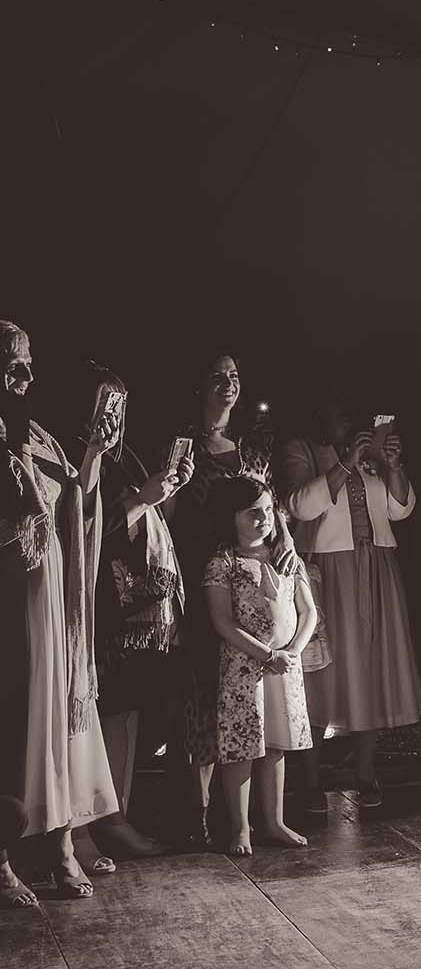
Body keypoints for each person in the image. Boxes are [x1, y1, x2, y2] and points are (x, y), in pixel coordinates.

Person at [0, 319, 119, 901]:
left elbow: (78, 500)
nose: (24, 375)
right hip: (9, 599)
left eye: (27, 364)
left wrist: (94, 452)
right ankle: (4, 860)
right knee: (12, 722)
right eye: (11, 362)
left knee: (53, 721)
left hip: (53, 604)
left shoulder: (39, 434)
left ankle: (61, 844)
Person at [164, 352, 291, 848]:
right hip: (200, 580)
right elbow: (167, 509)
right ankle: (194, 816)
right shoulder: (183, 443)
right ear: (200, 387)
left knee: (250, 696)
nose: (228, 384)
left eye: (235, 376)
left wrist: (289, 550)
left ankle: (250, 817)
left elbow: (272, 507)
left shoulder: (252, 449)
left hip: (249, 580)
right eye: (217, 376)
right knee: (202, 697)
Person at [277, 396, 421, 810]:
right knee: (321, 672)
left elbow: (401, 510)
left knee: (370, 667)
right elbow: (298, 505)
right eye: (338, 408)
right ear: (319, 412)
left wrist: (393, 465)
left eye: (350, 409)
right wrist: (347, 461)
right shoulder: (303, 450)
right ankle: (309, 780)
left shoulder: (372, 456)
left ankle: (365, 773)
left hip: (377, 565)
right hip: (329, 570)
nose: (347, 415)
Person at [68, 363, 193, 860]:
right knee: (99, 710)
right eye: (106, 403)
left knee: (128, 709)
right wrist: (142, 499)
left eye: (120, 404)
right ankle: (90, 821)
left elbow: (154, 524)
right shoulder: (71, 452)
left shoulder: (128, 457)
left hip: (138, 611)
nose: (113, 415)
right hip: (97, 604)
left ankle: (117, 811)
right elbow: (82, 527)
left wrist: (165, 491)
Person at [199, 476, 315, 856]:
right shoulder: (224, 562)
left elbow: (309, 611)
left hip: (285, 665)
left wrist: (293, 651)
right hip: (244, 666)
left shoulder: (286, 557)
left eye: (267, 510)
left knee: (275, 745)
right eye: (253, 512)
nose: (263, 518)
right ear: (231, 517)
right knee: (243, 746)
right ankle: (241, 827)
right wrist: (267, 655)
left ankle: (275, 820)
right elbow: (222, 621)